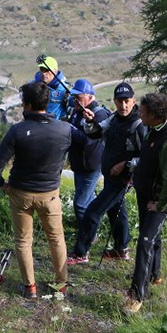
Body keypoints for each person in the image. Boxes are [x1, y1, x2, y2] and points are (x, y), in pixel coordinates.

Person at [0, 82, 71, 299]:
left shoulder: (18, 131)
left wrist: (1, 184)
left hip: (20, 193)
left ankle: (29, 288)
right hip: (50, 194)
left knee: (23, 240)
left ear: (28, 105)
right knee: (56, 238)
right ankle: (61, 284)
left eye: (23, 101)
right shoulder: (64, 129)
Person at [67, 82, 146, 265]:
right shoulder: (114, 119)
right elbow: (95, 132)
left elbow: (147, 158)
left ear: (133, 101)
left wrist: (125, 165)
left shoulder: (138, 125)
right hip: (111, 177)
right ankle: (121, 249)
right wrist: (89, 121)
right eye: (119, 101)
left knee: (93, 212)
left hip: (123, 179)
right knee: (116, 211)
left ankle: (80, 253)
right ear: (114, 101)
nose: (123, 105)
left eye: (126, 101)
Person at [124, 93, 167, 314]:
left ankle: (136, 295)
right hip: (146, 194)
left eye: (142, 111)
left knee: (145, 242)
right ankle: (155, 275)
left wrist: (159, 205)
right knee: (153, 236)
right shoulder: (154, 129)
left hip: (158, 199)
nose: (139, 113)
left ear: (155, 115)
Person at [67, 79, 110, 224]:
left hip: (90, 165)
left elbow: (87, 140)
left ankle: (88, 235)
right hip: (79, 164)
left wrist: (68, 129)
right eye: (74, 97)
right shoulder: (77, 111)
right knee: (88, 200)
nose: (75, 101)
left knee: (80, 204)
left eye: (78, 98)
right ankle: (93, 229)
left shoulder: (99, 114)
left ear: (90, 97)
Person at [34, 55, 69, 120]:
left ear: (55, 71)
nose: (44, 73)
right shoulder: (33, 85)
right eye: (42, 69)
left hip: (57, 125)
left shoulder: (65, 89)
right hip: (37, 123)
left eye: (47, 70)